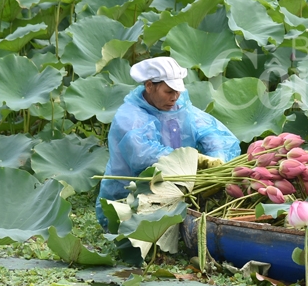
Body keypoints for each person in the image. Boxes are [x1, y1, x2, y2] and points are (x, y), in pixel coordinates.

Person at [96, 56, 240, 228]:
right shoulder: (130, 117)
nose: (174, 97)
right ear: (149, 86)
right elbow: (144, 155)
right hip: (130, 198)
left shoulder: (179, 106)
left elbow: (212, 133)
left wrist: (217, 159)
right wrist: (195, 160)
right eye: (169, 92)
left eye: (177, 92)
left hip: (178, 190)